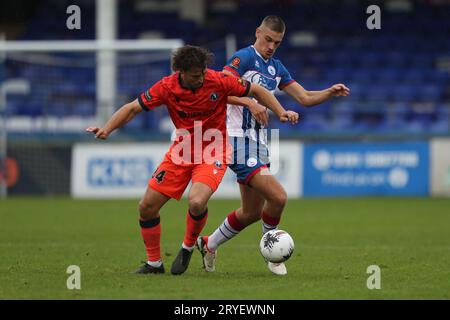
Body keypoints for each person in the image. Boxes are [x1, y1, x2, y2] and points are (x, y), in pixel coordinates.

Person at [86, 45, 299, 275]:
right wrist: (107, 129)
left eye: (203, 73)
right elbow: (132, 108)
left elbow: (256, 89)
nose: (201, 79)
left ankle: (188, 246)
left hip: (214, 150)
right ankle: (154, 264)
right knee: (146, 207)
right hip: (182, 151)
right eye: (196, 76)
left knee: (197, 202)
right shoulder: (166, 87)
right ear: (181, 73)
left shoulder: (216, 80)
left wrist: (280, 111)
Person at [196, 16, 350, 275]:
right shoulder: (243, 58)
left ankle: (208, 244)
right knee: (278, 197)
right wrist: (250, 102)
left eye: (276, 43)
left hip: (259, 143)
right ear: (258, 33)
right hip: (235, 139)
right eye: (267, 39)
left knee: (251, 212)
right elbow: (218, 89)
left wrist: (328, 92)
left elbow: (304, 97)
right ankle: (272, 254)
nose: (270, 46)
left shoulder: (276, 68)